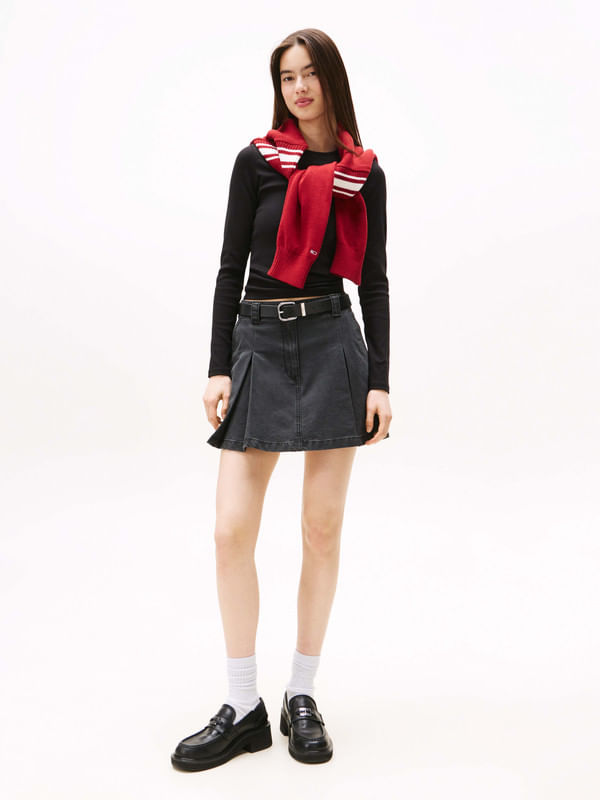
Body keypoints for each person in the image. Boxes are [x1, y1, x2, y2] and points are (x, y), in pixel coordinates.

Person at [171, 27, 392, 772]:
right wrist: (218, 366)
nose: (297, 88)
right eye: (286, 77)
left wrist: (380, 379)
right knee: (231, 531)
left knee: (321, 531)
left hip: (332, 344)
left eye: (308, 74)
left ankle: (302, 693)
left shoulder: (363, 175)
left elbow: (375, 281)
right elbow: (229, 266)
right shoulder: (257, 162)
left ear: (331, 79)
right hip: (259, 345)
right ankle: (243, 706)